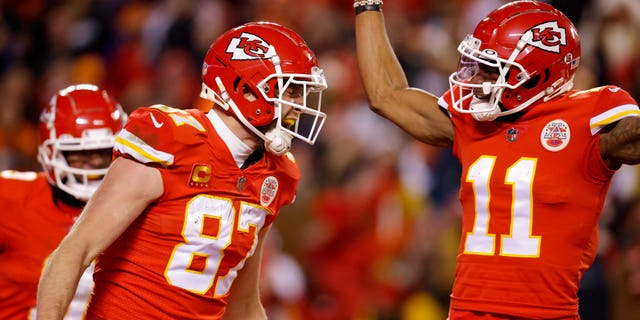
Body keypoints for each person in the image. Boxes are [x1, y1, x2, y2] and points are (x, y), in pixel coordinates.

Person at [354, 0, 640, 319]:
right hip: (465, 311)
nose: (477, 81)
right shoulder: (473, 122)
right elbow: (386, 95)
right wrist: (367, 5)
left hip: (545, 313)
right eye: (479, 67)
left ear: (538, 74)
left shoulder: (588, 119)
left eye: (493, 70)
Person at [36, 21, 328, 320]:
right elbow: (76, 251)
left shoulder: (276, 174)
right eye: (291, 91)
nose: (299, 105)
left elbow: (243, 303)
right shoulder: (171, 141)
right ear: (246, 89)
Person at [0, 84, 127, 319]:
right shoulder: (12, 198)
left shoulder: (138, 207)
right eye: (79, 153)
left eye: (102, 152)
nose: (94, 164)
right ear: (50, 153)